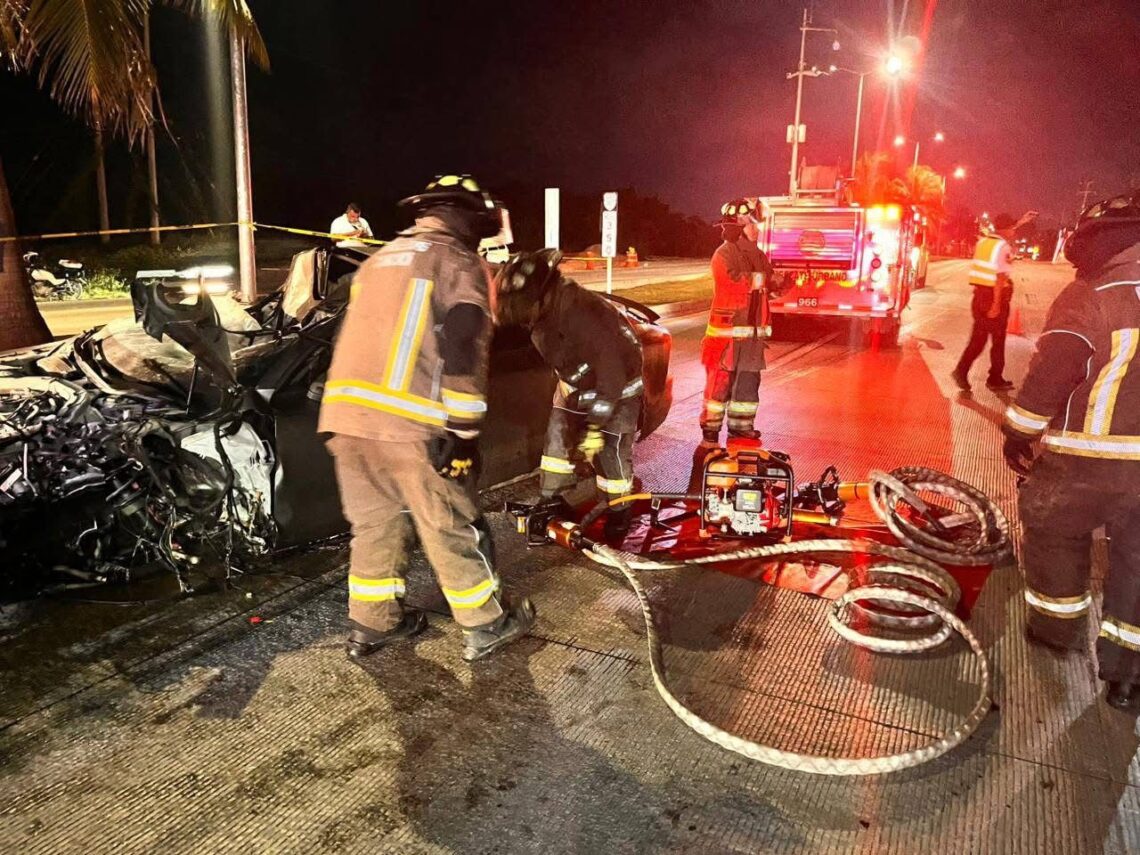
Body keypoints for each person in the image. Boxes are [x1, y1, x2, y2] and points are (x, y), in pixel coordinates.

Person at [319, 175, 535, 662]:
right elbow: (464, 340)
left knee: (375, 525)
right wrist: (463, 434)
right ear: (466, 218)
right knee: (447, 522)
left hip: (346, 416)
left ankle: (371, 627)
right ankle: (485, 625)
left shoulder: (377, 261)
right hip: (410, 423)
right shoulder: (456, 261)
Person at [1002, 190, 1140, 709]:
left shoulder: (1092, 293)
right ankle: (1128, 676)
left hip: (1085, 459)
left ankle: (1056, 633)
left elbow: (1054, 370)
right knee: (1138, 564)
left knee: (1055, 536)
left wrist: (1019, 430)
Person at [495, 249, 644, 543]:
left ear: (540, 296)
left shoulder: (583, 313)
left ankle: (618, 510)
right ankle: (552, 499)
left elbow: (611, 374)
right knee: (556, 444)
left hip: (617, 390)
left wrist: (593, 427)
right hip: (575, 386)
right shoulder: (543, 310)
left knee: (611, 453)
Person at [700, 198, 783, 446]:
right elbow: (734, 283)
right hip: (727, 339)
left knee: (747, 388)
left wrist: (783, 282)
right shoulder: (723, 255)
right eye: (752, 223)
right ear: (738, 227)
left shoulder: (758, 255)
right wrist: (764, 280)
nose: (757, 229)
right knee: (719, 387)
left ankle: (741, 428)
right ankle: (710, 432)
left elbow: (768, 284)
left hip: (751, 341)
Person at [952, 211, 1037, 392]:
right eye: (1012, 228)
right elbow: (999, 277)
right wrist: (996, 305)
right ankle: (977, 374)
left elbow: (1004, 230)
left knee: (982, 339)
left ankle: (989, 375)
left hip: (979, 297)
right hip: (994, 298)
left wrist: (1021, 220)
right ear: (1006, 229)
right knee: (991, 341)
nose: (1014, 231)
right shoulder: (1002, 247)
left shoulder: (983, 242)